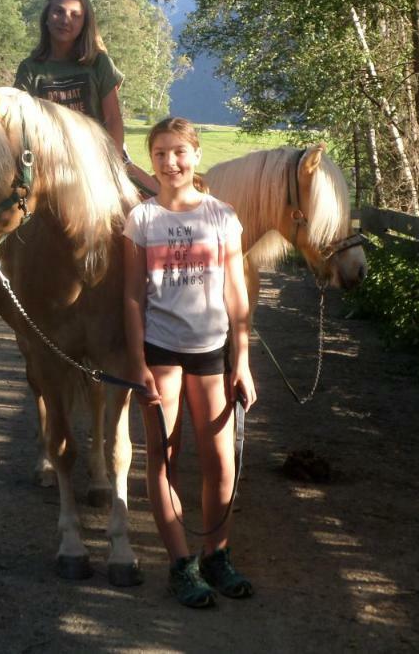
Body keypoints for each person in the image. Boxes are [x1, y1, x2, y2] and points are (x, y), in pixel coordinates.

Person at [0, 0, 156, 337]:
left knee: (156, 204)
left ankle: (164, 297)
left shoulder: (98, 64)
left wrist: (111, 159)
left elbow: (114, 118)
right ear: (47, 17)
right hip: (50, 166)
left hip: (100, 160)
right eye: (60, 12)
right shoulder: (32, 68)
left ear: (85, 22)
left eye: (76, 15)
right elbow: (18, 118)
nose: (66, 20)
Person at [122, 116, 256, 608]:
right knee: (165, 458)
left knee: (222, 460)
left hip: (211, 352)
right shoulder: (142, 220)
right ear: (151, 160)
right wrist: (137, 361)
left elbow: (237, 294)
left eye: (179, 152)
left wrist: (242, 361)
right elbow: (133, 297)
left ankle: (215, 555)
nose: (170, 162)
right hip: (161, 352)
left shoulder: (222, 216)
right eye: (160, 153)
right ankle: (182, 565)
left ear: (195, 155)